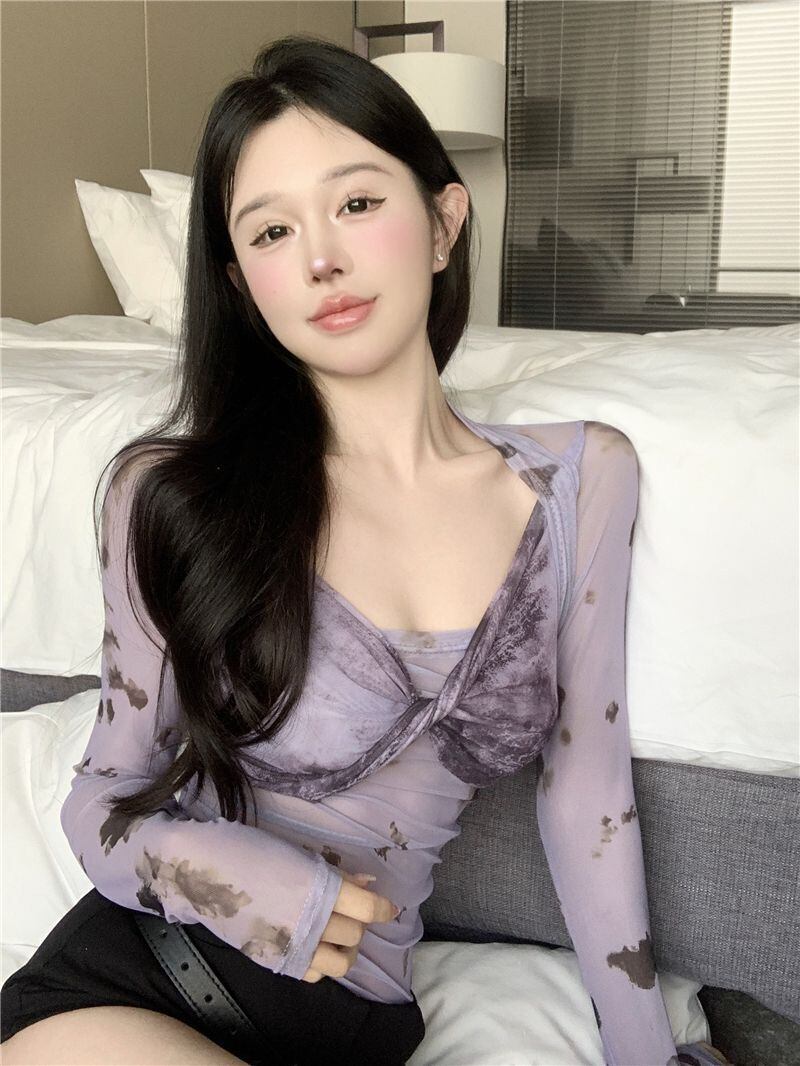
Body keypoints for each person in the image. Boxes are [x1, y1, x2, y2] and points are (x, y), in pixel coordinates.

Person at [0, 33, 732, 1066]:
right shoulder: (170, 493)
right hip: (136, 985)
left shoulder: (579, 480)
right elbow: (99, 803)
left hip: (358, 1025)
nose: (320, 260)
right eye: (270, 230)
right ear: (241, 283)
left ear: (443, 222)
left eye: (354, 203)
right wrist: (232, 875)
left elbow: (586, 797)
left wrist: (642, 1051)